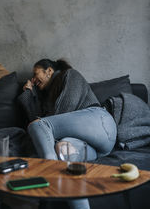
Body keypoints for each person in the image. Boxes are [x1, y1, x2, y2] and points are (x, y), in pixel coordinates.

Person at [17, 58, 117, 209]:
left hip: (99, 123)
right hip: (94, 148)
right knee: (64, 151)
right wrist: (29, 94)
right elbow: (42, 131)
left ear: (49, 71)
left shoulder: (70, 75)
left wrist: (41, 125)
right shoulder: (47, 96)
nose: (33, 79)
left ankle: (48, 173)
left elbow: (55, 116)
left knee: (37, 126)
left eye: (35, 73)